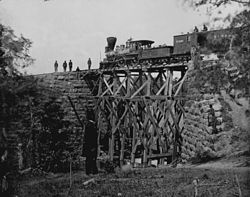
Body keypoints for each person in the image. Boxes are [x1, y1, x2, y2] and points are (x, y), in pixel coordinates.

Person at [84, 109, 98, 175]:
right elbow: (91, 137)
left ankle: (91, 171)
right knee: (91, 158)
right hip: (91, 145)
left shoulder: (89, 124)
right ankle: (90, 171)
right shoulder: (90, 125)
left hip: (89, 145)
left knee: (90, 158)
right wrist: (92, 146)